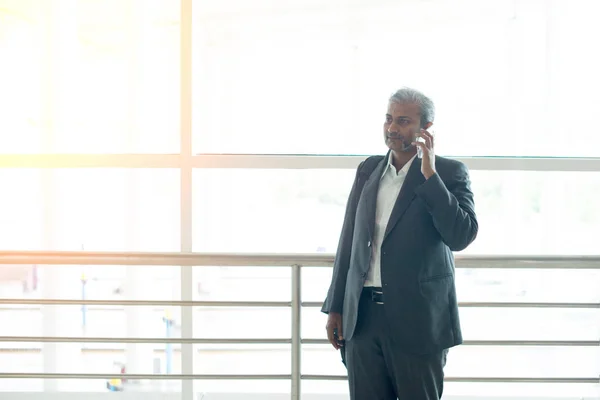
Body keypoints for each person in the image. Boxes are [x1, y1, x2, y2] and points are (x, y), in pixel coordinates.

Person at [322, 87, 478, 399]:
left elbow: (461, 235)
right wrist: (336, 306)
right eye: (389, 119)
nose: (393, 128)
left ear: (426, 129)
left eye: (404, 121)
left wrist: (430, 176)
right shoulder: (369, 169)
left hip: (418, 321)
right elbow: (349, 238)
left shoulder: (448, 173)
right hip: (363, 319)